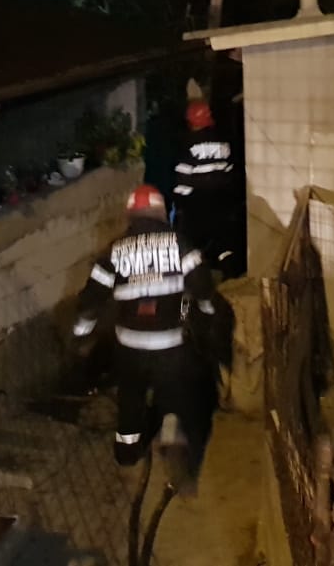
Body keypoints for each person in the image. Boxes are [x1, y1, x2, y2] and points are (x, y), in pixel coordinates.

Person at [70, 184, 227, 497]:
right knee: (178, 395)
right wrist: (208, 320)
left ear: (132, 215)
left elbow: (91, 302)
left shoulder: (114, 251)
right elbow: (203, 289)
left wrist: (81, 336)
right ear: (161, 212)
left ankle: (127, 452)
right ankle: (174, 435)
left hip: (129, 347)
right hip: (171, 345)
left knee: (131, 399)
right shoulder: (180, 245)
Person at [172, 100, 243, 279]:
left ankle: (197, 280)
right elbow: (229, 171)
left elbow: (183, 178)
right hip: (221, 201)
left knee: (193, 243)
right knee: (223, 242)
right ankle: (229, 274)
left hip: (196, 204)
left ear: (191, 122)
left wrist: (179, 204)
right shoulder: (223, 142)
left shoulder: (188, 144)